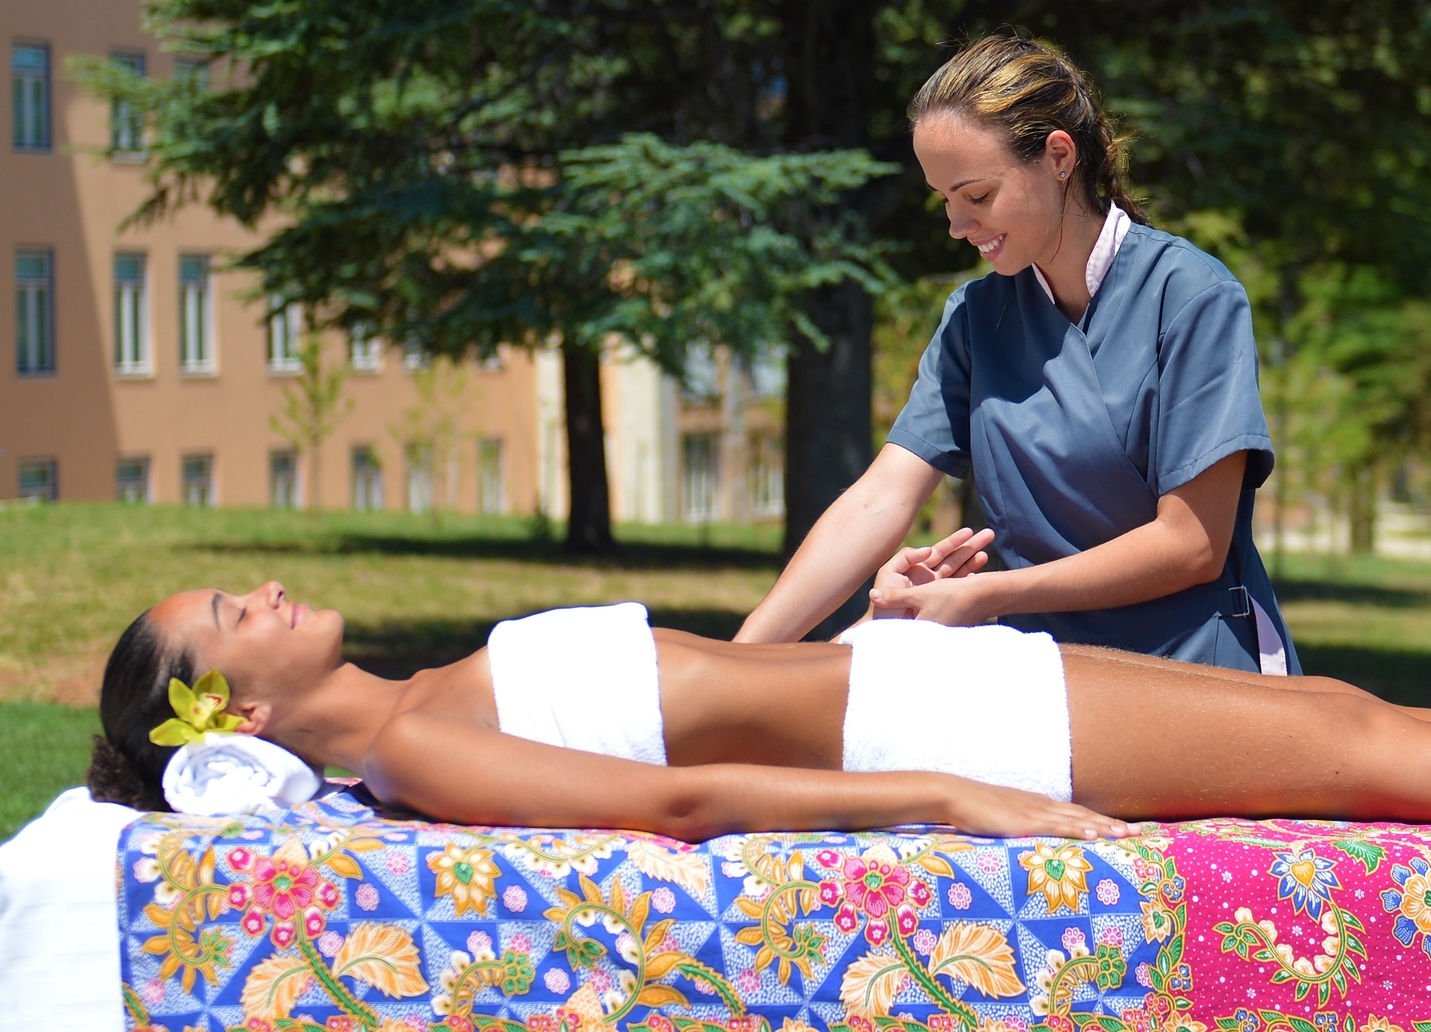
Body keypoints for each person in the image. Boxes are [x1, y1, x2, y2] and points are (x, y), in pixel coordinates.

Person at [737, 35, 1298, 674]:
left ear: (1059, 156)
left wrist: (987, 593)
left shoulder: (1193, 296)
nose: (955, 224)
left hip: (1195, 670)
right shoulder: (977, 319)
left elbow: (1193, 542)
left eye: (975, 196)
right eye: (944, 200)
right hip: (1044, 680)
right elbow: (880, 498)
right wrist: (740, 661)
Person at [87, 581, 1431, 842]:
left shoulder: (434, 690)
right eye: (227, 612)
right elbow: (678, 800)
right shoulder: (412, 744)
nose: (262, 588)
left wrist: (869, 617)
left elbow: (694, 693)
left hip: (910, 677)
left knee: (1333, 706)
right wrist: (948, 793)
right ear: (240, 709)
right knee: (1362, 749)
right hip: (949, 733)